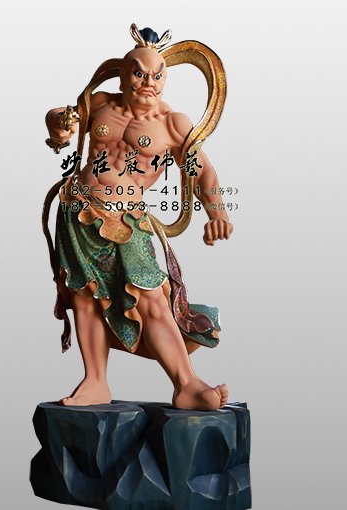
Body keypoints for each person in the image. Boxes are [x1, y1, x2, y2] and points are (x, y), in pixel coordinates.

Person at [45, 26, 233, 410]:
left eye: (156, 75)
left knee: (151, 299)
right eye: (138, 73)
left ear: (165, 80)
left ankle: (186, 384)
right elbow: (60, 121)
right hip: (78, 212)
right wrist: (59, 126)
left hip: (126, 220)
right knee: (85, 297)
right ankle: (95, 381)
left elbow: (203, 172)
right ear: (122, 74)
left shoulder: (172, 124)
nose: (148, 82)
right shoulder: (100, 104)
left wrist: (216, 211)